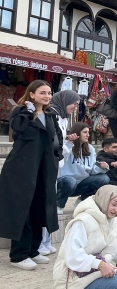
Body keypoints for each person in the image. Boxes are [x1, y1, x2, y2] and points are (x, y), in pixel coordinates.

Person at [0, 80, 63, 270]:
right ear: (32, 94)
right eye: (42, 93)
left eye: (49, 93)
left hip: (44, 169)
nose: (47, 96)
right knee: (23, 210)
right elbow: (17, 131)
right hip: (21, 170)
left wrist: (56, 155)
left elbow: (57, 137)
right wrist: (28, 112)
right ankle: (18, 255)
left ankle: (33, 250)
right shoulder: (21, 112)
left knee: (40, 208)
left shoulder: (51, 115)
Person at [53, 185, 117, 289]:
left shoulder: (113, 221)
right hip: (73, 278)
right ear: (104, 200)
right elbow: (73, 256)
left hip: (95, 273)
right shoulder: (83, 221)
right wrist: (100, 264)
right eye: (114, 204)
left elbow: (115, 250)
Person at [39, 89, 80, 256]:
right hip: (48, 165)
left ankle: (46, 240)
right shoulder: (52, 115)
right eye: (74, 104)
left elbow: (61, 144)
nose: (75, 108)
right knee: (44, 205)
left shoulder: (63, 117)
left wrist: (68, 143)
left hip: (56, 165)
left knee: (49, 205)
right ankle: (41, 242)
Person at [57, 122, 110, 214]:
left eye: (88, 132)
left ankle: (82, 201)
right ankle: (59, 204)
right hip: (63, 183)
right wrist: (69, 144)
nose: (88, 135)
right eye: (85, 132)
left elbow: (91, 169)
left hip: (80, 183)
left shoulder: (90, 148)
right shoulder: (66, 145)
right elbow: (60, 159)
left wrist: (101, 167)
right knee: (70, 181)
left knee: (104, 178)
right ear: (77, 132)